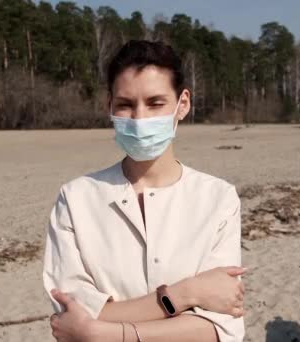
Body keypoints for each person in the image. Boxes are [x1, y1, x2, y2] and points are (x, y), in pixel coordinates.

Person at [43, 40, 246, 342]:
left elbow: (217, 329)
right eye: (126, 104)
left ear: (183, 104)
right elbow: (72, 312)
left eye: (155, 103)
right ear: (108, 106)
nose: (140, 119)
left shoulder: (218, 199)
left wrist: (105, 334)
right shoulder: (76, 199)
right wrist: (187, 293)